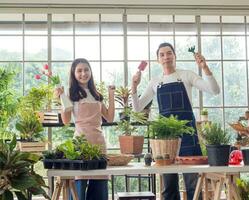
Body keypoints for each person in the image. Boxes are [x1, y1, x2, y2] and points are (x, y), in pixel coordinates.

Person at [131, 42, 220, 200]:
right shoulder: (155, 82)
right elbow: (137, 108)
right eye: (162, 55)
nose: (166, 57)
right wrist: (134, 85)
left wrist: (205, 67)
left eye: (169, 53)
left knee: (193, 185)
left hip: (188, 136)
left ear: (175, 56)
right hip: (166, 139)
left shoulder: (187, 75)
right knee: (169, 187)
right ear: (158, 59)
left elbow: (215, 90)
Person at [55, 58, 115, 200]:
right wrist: (60, 99)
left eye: (86, 70)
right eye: (79, 71)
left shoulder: (96, 94)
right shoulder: (70, 94)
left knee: (99, 189)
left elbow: (110, 118)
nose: (83, 73)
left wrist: (111, 95)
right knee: (79, 189)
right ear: (74, 74)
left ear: (90, 72)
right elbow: (66, 121)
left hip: (99, 144)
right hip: (80, 145)